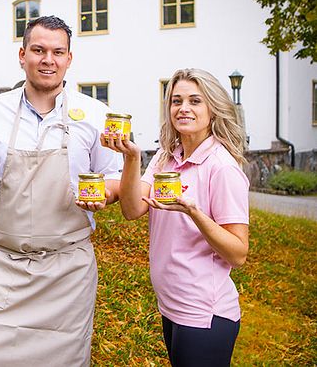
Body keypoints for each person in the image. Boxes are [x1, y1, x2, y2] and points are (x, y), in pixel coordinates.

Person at [0, 15, 123, 366]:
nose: (47, 60)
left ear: (69, 59)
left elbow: (113, 177)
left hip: (66, 273)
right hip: (1, 265)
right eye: (38, 50)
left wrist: (105, 195)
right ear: (22, 55)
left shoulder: (95, 116)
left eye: (57, 52)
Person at [102, 68, 249, 366]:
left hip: (205, 312)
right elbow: (132, 209)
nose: (183, 108)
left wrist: (193, 212)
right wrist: (131, 158)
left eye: (195, 101)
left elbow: (238, 253)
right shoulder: (166, 156)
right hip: (171, 305)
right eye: (176, 100)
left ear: (213, 109)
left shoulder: (221, 167)